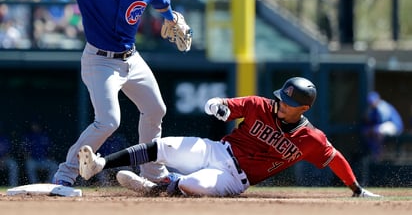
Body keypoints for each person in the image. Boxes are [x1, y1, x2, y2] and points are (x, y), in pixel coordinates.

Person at [77, 77, 380, 198]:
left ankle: (158, 187)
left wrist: (355, 188)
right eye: (281, 97)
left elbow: (335, 158)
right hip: (217, 151)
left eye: (288, 102)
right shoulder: (261, 105)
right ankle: (100, 164)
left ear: (303, 107)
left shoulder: (310, 138)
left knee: (191, 184)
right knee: (163, 146)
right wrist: (216, 106)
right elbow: (225, 104)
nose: (280, 103)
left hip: (237, 179)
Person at [42, 0, 185, 186]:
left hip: (132, 59)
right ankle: (65, 174)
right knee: (108, 121)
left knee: (155, 109)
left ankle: (153, 174)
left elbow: (163, 2)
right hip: (100, 62)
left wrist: (171, 19)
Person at [362, 91, 404, 160]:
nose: (372, 103)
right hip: (383, 126)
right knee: (367, 131)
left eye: (373, 101)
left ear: (377, 99)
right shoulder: (371, 109)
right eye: (370, 102)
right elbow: (370, 122)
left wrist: (372, 127)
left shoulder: (382, 107)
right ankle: (374, 153)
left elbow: (382, 121)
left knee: (377, 130)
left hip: (395, 126)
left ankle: (380, 153)